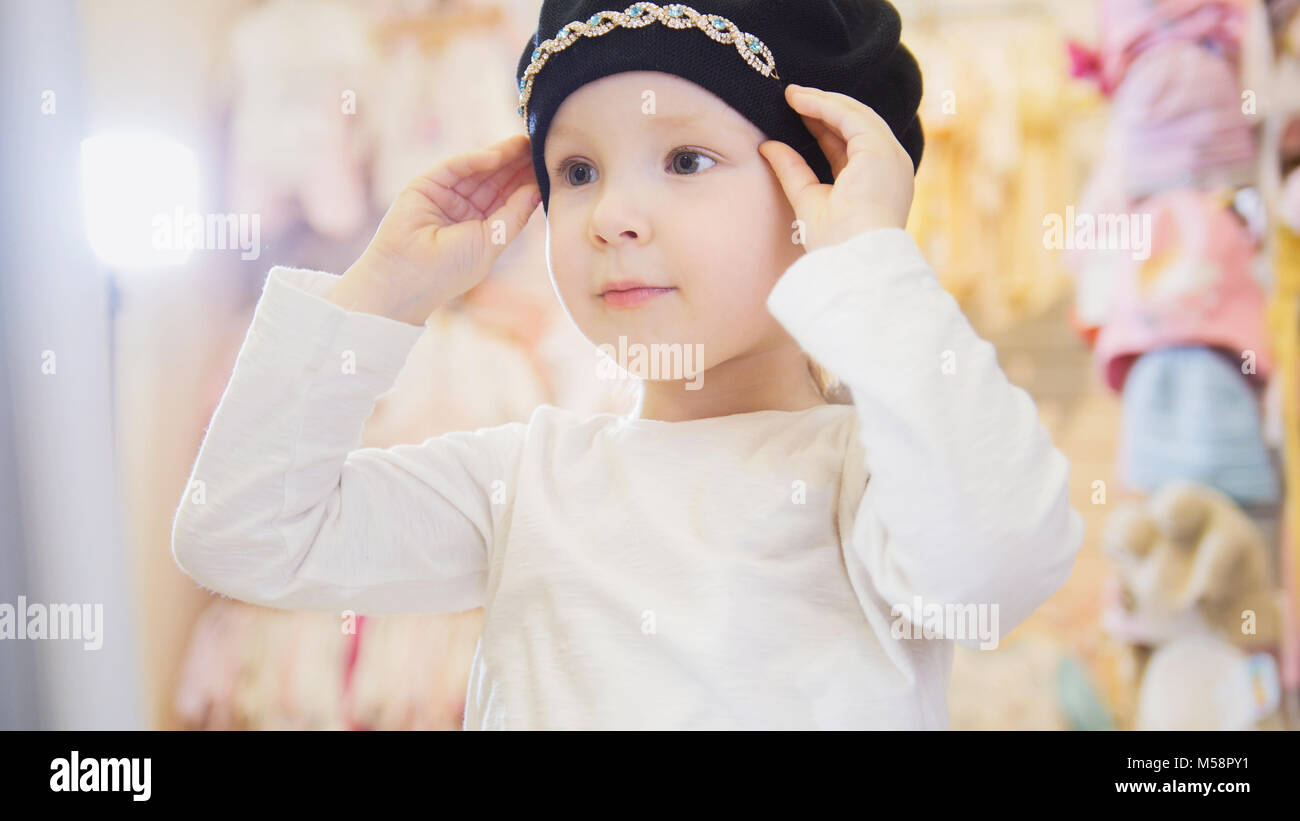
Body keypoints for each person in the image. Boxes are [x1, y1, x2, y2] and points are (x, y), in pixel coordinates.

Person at [172, 0, 1084, 729]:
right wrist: (385, 289)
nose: (612, 214)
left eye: (685, 159)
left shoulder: (869, 487)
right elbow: (241, 533)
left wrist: (872, 266)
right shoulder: (526, 481)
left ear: (828, 192)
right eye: (577, 171)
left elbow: (998, 562)